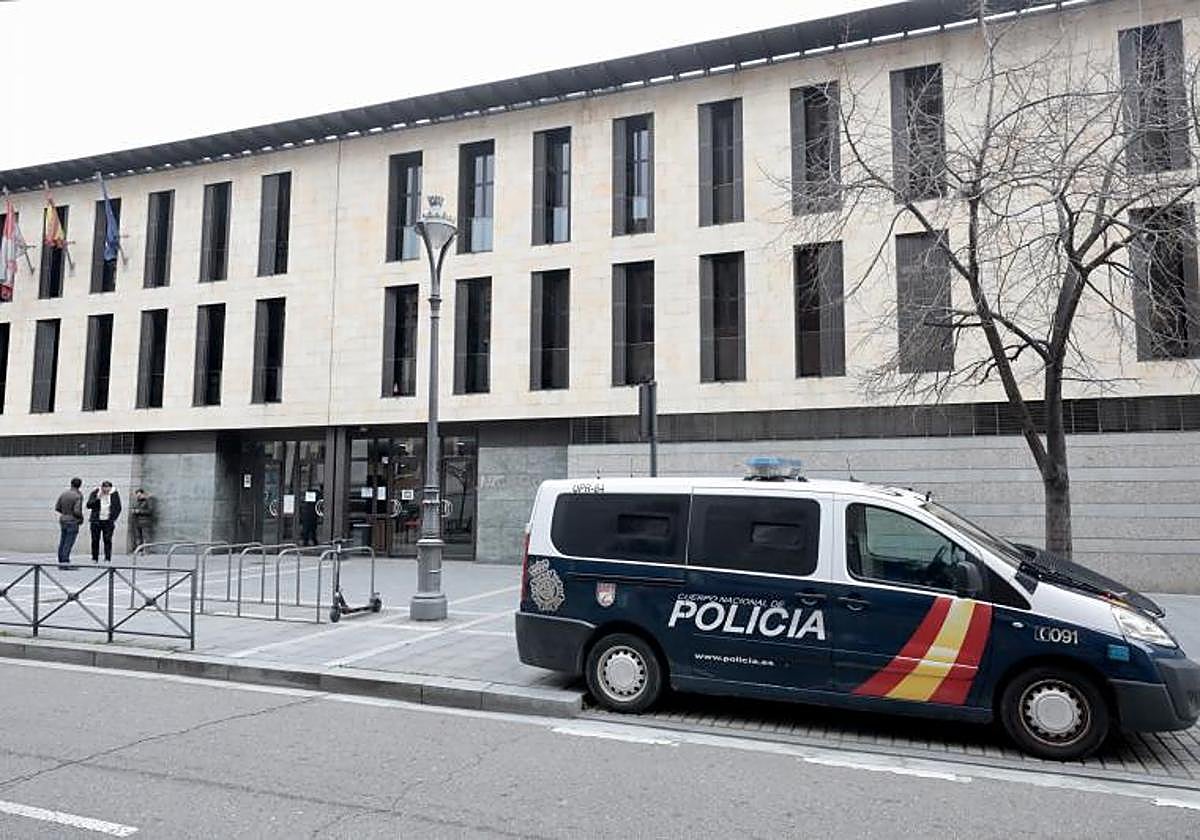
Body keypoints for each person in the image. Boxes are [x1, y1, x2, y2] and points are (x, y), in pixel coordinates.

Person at [86, 481, 122, 563]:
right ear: (102, 487)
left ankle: (107, 558)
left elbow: (118, 507)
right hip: (96, 521)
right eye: (104, 488)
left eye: (108, 488)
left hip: (108, 521)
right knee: (95, 540)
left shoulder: (114, 494)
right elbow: (89, 505)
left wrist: (112, 518)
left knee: (107, 540)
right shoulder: (95, 493)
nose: (106, 490)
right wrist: (97, 498)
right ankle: (95, 558)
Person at [54, 478, 84, 569]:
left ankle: (61, 561)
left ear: (71, 484)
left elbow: (57, 507)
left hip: (63, 519)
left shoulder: (64, 494)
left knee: (63, 541)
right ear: (80, 485)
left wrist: (65, 513)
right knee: (69, 542)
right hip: (72, 521)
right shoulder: (78, 496)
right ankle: (65, 562)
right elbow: (77, 511)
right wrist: (81, 518)